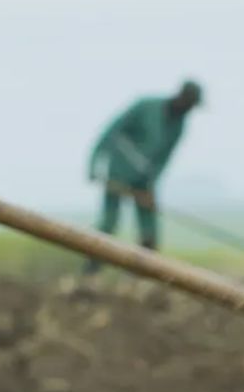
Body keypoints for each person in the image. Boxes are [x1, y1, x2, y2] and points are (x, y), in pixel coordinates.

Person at [83, 81, 203, 274]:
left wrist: (151, 186)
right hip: (119, 172)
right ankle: (91, 270)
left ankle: (144, 273)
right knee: (109, 222)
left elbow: (164, 159)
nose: (190, 110)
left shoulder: (179, 125)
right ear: (181, 98)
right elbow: (112, 131)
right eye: (190, 104)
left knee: (149, 228)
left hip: (145, 179)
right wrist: (94, 165)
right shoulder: (145, 107)